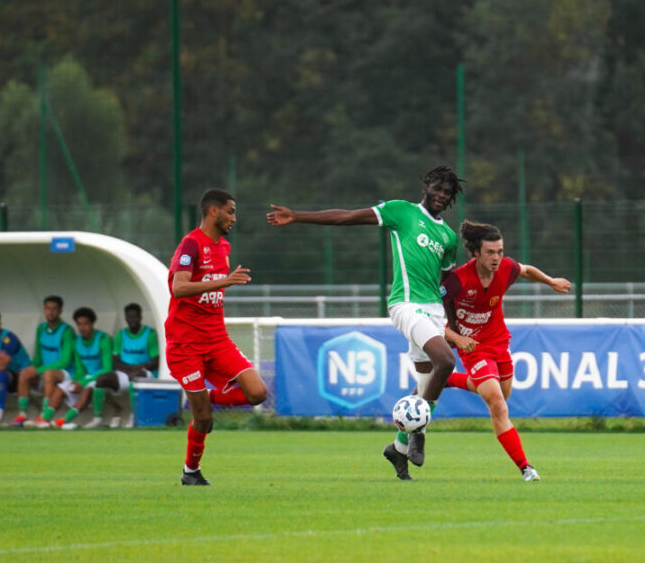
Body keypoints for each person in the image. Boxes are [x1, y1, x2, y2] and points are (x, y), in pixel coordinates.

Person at [267, 165, 463, 481]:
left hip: (434, 312)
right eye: (437, 188)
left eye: (447, 193)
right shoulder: (401, 212)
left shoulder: (449, 236)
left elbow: (446, 282)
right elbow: (347, 217)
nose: (441, 195)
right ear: (426, 187)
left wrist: (452, 325)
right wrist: (298, 216)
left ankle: (397, 450)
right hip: (406, 305)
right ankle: (418, 432)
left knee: (426, 383)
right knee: (445, 361)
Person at [441, 221, 572, 482]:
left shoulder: (506, 268)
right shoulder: (457, 281)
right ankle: (526, 467)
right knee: (498, 405)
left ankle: (450, 379)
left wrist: (550, 281)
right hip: (473, 348)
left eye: (500, 251)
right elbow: (430, 318)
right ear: (475, 253)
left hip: (499, 342)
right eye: (490, 252)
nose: (497, 257)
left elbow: (526, 270)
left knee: (501, 395)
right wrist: (456, 337)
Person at [167, 188, 268, 485]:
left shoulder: (223, 247)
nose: (234, 218)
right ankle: (191, 472)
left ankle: (205, 398)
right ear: (214, 211)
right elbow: (178, 288)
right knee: (204, 421)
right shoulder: (190, 245)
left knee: (258, 393)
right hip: (185, 343)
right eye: (230, 211)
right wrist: (225, 281)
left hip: (216, 338)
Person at [84, 302, 160, 428]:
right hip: (126, 372)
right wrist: (130, 369)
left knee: (134, 377)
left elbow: (155, 361)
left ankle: (134, 417)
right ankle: (97, 418)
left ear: (140, 317)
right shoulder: (121, 335)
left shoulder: (149, 334)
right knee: (101, 380)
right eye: (129, 317)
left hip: (145, 373)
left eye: (135, 316)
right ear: (126, 319)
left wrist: (136, 368)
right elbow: (115, 361)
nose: (132, 320)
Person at [42, 307, 113, 429]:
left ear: (92, 324)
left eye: (86, 324)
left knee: (89, 389)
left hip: (104, 379)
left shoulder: (103, 339)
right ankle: (44, 420)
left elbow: (107, 368)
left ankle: (62, 421)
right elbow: (80, 369)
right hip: (85, 378)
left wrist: (83, 383)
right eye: (79, 324)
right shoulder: (76, 342)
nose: (82, 328)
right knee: (61, 388)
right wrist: (77, 381)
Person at [12, 295, 76, 428]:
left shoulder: (67, 331)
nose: (50, 312)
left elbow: (64, 361)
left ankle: (44, 415)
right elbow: (38, 358)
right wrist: (31, 369)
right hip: (47, 371)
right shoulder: (41, 329)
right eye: (48, 308)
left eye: (54, 309)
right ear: (44, 310)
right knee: (24, 373)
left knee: (49, 374)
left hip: (66, 372)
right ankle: (22, 415)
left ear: (60, 311)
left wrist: (38, 370)